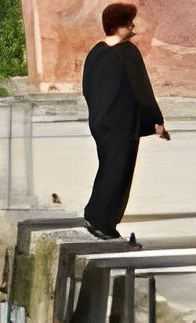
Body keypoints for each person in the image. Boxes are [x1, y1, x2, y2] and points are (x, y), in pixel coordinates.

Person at [77, 3, 168, 241]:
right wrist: (156, 121)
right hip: (122, 125)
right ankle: (103, 222)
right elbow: (143, 91)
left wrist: (98, 115)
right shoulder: (128, 53)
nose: (133, 27)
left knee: (107, 168)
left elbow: (88, 89)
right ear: (119, 26)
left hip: (100, 123)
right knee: (119, 172)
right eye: (129, 23)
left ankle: (95, 214)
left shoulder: (96, 52)